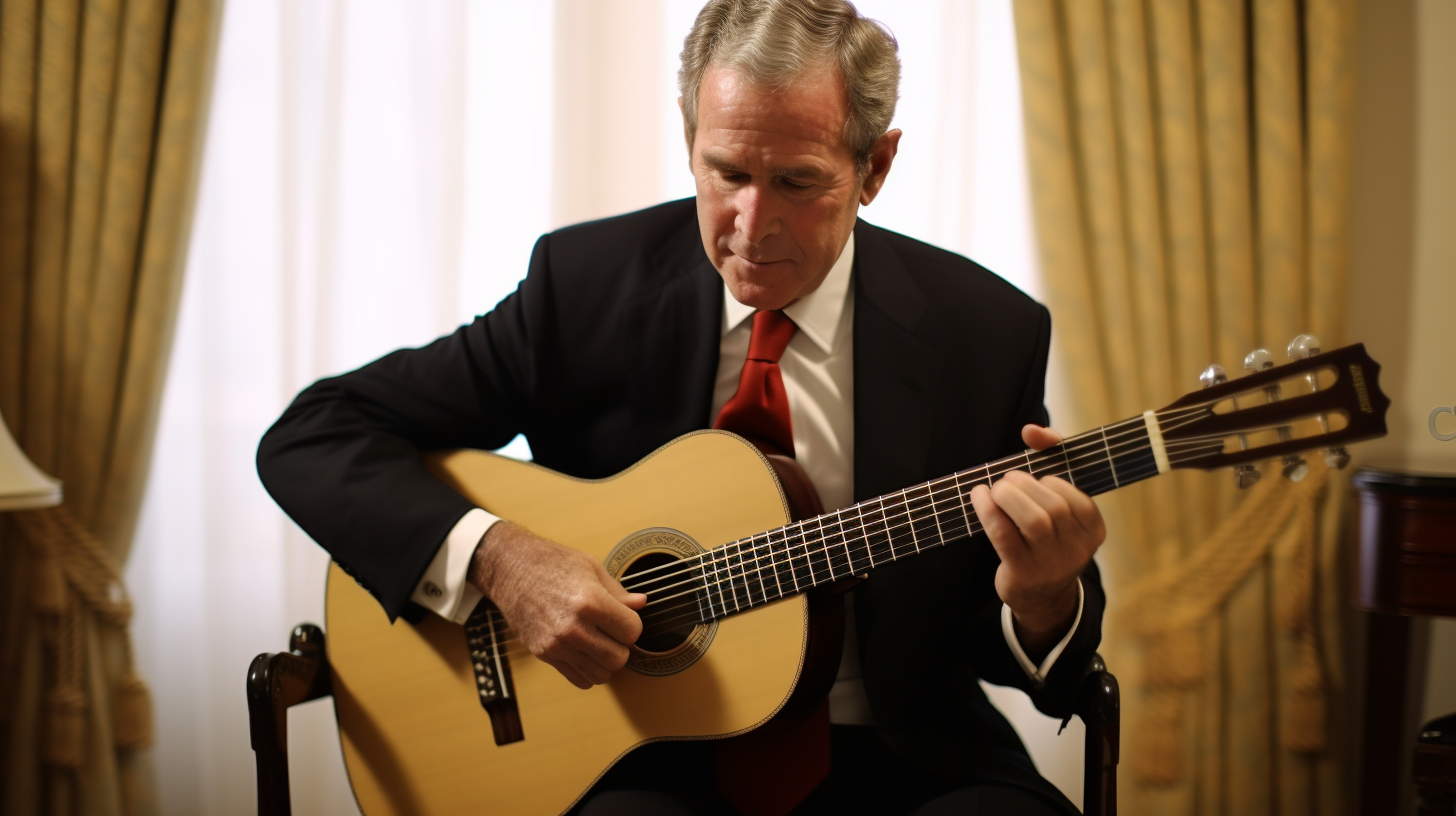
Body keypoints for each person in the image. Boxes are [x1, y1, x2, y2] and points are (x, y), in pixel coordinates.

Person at [257, 1, 1107, 813]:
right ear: (688, 140)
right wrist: (502, 562)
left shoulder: (982, 329)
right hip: (635, 750)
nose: (751, 223)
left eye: (797, 181)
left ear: (874, 168)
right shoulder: (586, 285)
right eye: (726, 172)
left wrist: (1041, 597)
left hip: (905, 754)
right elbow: (315, 435)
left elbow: (1008, 648)